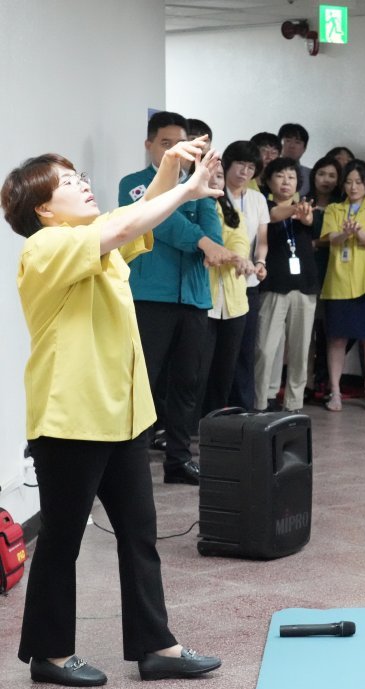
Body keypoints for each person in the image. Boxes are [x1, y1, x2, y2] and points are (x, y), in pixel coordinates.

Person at [3, 137, 222, 685]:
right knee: (63, 538)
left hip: (122, 417)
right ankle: (49, 656)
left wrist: (169, 170)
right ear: (44, 209)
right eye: (70, 182)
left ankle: (157, 647)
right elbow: (123, 228)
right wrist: (189, 189)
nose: (85, 184)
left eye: (81, 177)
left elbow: (129, 219)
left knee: (139, 533)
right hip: (72, 419)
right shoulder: (47, 249)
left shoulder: (93, 247)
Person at [118, 111, 227, 485]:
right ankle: (129, 462)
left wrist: (206, 234)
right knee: (143, 381)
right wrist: (201, 240)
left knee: (187, 383)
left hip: (194, 298)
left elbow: (216, 232)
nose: (173, 151)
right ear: (149, 145)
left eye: (179, 144)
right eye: (165, 143)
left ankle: (179, 460)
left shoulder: (200, 186)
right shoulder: (133, 184)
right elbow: (158, 222)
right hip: (151, 298)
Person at [320, 159, 365, 412]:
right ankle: (335, 392)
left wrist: (357, 232)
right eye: (348, 182)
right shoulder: (334, 209)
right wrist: (345, 233)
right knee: (337, 339)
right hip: (338, 282)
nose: (353, 187)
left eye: (358, 182)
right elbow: (331, 239)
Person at [256, 157, 319, 413]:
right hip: (273, 284)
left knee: (300, 349)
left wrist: (305, 216)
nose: (286, 181)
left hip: (304, 286)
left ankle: (294, 401)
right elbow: (273, 215)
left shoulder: (307, 210)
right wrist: (295, 210)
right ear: (269, 181)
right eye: (280, 176)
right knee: (265, 348)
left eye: (291, 177)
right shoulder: (263, 205)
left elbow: (313, 226)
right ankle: (261, 400)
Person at [198, 162, 252, 421]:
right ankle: (189, 426)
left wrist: (239, 257)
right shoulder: (192, 213)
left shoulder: (235, 215)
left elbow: (239, 242)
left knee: (225, 368)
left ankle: (216, 422)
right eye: (209, 177)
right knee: (198, 369)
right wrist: (232, 256)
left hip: (234, 303)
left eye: (218, 177)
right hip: (203, 302)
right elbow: (209, 247)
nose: (215, 181)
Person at [222, 140, 271, 411]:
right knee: (219, 351)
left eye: (251, 167)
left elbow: (262, 238)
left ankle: (243, 408)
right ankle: (214, 409)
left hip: (248, 283)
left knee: (244, 349)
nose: (244, 171)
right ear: (228, 163)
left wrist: (260, 261)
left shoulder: (257, 199)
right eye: (240, 164)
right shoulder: (215, 194)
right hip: (218, 283)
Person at [303, 155, 341, 403]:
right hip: (310, 270)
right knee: (308, 331)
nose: (326, 180)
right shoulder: (304, 203)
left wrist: (319, 242)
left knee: (333, 331)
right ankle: (305, 382)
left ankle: (327, 379)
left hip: (337, 271)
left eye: (332, 175)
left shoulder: (342, 206)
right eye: (321, 174)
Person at [278, 122, 310, 195]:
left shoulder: (310, 175)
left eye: (297, 142)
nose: (292, 146)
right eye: (288, 140)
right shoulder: (269, 170)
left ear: (304, 148)